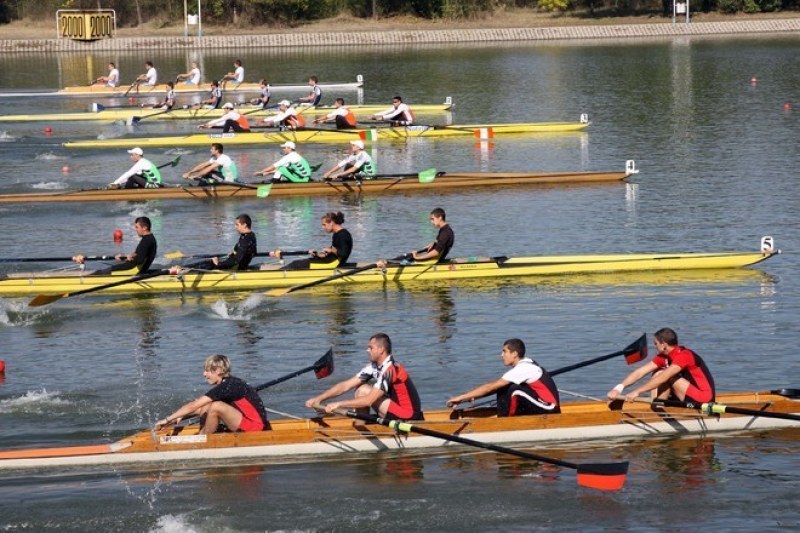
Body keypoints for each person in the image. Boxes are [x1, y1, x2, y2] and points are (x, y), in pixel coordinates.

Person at [305, 333, 423, 421]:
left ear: (381, 349)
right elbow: (345, 385)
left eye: (370, 347)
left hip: (408, 416)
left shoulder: (390, 370)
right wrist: (319, 398)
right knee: (361, 389)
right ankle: (361, 427)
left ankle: (361, 430)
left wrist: (339, 404)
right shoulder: (374, 366)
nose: (367, 350)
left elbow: (369, 400)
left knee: (363, 393)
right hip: (393, 409)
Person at [154, 354, 269, 434]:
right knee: (208, 405)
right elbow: (199, 407)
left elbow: (193, 406)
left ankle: (203, 439)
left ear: (218, 370)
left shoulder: (227, 386)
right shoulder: (229, 383)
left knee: (216, 406)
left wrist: (166, 420)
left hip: (255, 427)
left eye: (207, 370)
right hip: (246, 422)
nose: (204, 374)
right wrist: (180, 416)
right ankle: (204, 434)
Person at [446, 339, 561, 417]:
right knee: (504, 387)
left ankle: (506, 422)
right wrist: (469, 397)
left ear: (514, 354)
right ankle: (505, 417)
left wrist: (462, 397)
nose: (501, 355)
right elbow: (494, 388)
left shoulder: (524, 368)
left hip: (550, 409)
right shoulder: (523, 366)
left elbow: (491, 386)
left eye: (504, 351)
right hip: (540, 404)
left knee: (514, 390)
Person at [607, 328, 716, 403]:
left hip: (703, 398)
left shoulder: (684, 355)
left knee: (662, 374)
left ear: (664, 344)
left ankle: (658, 407)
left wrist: (637, 391)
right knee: (658, 372)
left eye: (656, 344)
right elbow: (640, 372)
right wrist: (618, 388)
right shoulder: (663, 357)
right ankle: (657, 405)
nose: (655, 346)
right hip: (686, 394)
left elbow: (664, 377)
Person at [77, 216, 157, 274]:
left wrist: (123, 258)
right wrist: (125, 256)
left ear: (145, 227)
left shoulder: (146, 241)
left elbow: (139, 260)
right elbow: (138, 254)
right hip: (135, 268)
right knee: (104, 269)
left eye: (137, 227)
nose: (136, 230)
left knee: (101, 272)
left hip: (133, 271)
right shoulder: (149, 239)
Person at [277, 211, 352, 270]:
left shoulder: (343, 235)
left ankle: (277, 275)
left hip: (332, 264)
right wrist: (321, 255)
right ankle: (279, 272)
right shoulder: (337, 233)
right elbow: (335, 252)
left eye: (324, 224)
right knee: (300, 262)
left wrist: (331, 250)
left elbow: (343, 254)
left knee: (296, 264)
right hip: (329, 260)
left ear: (331, 223)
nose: (323, 227)